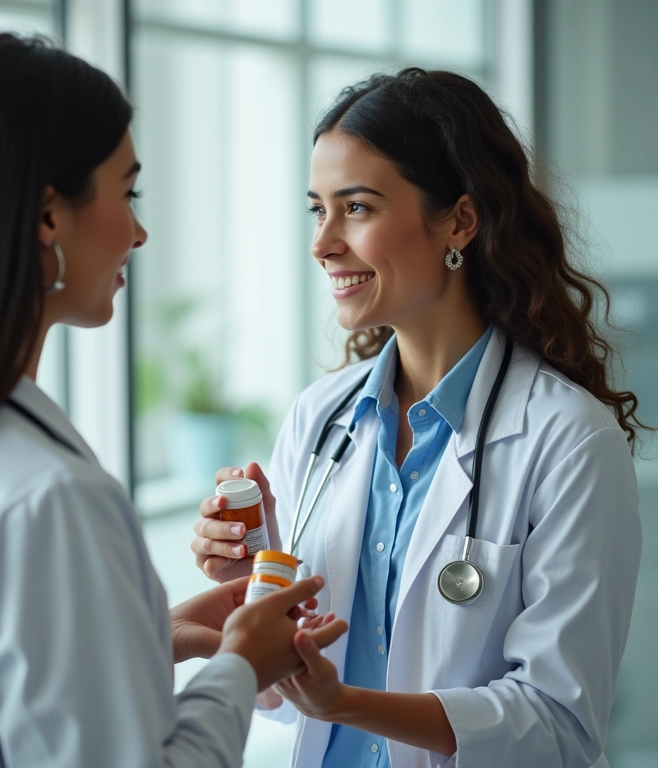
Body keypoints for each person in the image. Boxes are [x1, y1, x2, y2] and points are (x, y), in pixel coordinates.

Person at [0, 34, 347, 768]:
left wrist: (141, 635)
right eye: (127, 192)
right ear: (48, 218)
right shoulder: (52, 497)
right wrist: (240, 666)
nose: (139, 231)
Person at [191, 67, 645, 768]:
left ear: (460, 220)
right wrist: (255, 580)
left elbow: (559, 725)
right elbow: (278, 696)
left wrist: (344, 702)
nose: (323, 242)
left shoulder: (569, 439)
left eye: (357, 207)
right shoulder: (319, 419)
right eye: (317, 210)